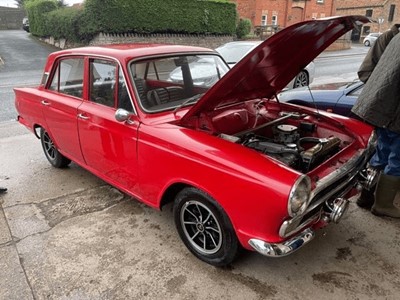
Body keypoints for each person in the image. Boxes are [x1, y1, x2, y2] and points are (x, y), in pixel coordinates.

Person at [351, 31, 400, 218]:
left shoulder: (396, 37)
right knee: (396, 159)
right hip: (395, 113)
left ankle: (365, 197)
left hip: (383, 109)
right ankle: (384, 204)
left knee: (381, 153)